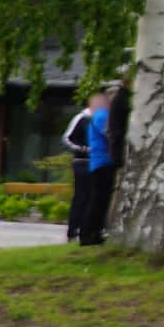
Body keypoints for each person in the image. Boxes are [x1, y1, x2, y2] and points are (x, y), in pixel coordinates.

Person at [60, 91, 104, 241]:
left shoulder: (102, 120)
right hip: (82, 162)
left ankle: (90, 229)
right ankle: (73, 230)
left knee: (95, 197)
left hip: (98, 162)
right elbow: (66, 138)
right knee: (81, 196)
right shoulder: (81, 118)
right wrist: (82, 149)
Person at [78, 86, 119, 246]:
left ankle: (94, 232)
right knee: (98, 200)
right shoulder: (103, 115)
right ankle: (88, 233)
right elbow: (109, 134)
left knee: (100, 200)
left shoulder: (102, 115)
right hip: (102, 162)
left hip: (101, 161)